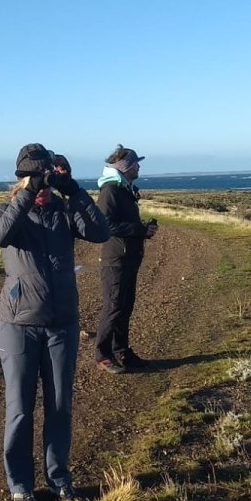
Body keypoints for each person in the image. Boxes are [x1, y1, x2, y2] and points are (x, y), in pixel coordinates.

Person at [0, 144, 110, 501]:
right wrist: (27, 193)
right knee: (20, 407)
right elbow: (0, 236)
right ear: (22, 178)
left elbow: (100, 232)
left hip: (62, 324)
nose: (43, 186)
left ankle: (59, 477)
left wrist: (72, 189)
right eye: (35, 178)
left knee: (60, 405)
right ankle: (21, 483)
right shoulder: (6, 212)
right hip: (19, 325)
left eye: (46, 178)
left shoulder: (63, 211)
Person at [94, 144, 158, 374]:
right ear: (126, 167)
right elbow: (106, 224)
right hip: (116, 260)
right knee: (113, 306)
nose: (139, 166)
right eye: (135, 163)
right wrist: (139, 229)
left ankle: (122, 351)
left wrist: (142, 230)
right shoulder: (111, 191)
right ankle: (103, 355)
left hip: (128, 258)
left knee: (125, 306)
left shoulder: (124, 189)